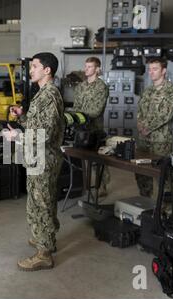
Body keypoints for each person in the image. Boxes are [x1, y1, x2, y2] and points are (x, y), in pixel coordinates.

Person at [4, 52, 64, 271]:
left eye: (35, 66)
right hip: (37, 158)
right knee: (39, 202)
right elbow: (36, 125)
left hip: (44, 159)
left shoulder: (49, 94)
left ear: (47, 70)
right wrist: (22, 116)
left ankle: (44, 253)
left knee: (42, 204)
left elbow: (45, 134)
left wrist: (17, 136)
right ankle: (44, 237)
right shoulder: (42, 94)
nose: (31, 70)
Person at [136, 57, 173, 198]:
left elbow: (165, 115)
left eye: (155, 69)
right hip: (143, 140)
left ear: (164, 71)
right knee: (141, 172)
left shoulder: (170, 90)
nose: (151, 72)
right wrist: (139, 123)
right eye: (150, 69)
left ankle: (166, 208)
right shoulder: (147, 91)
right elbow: (140, 110)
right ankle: (145, 201)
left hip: (160, 140)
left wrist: (146, 127)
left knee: (162, 175)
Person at [72, 57, 110, 197]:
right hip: (80, 128)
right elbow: (76, 107)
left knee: (97, 160)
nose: (86, 69)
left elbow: (96, 111)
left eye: (89, 66)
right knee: (80, 158)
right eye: (85, 66)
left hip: (94, 129)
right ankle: (83, 185)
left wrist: (79, 114)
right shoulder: (80, 87)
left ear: (97, 69)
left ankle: (102, 185)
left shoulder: (101, 87)